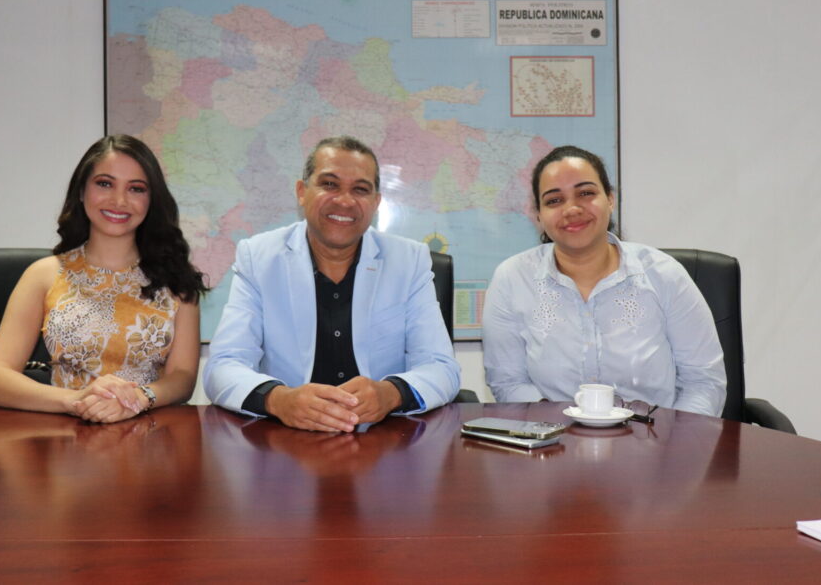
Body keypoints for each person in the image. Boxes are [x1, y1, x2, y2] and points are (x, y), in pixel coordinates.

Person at [204, 135, 460, 432]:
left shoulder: (409, 260)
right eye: (329, 184)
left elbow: (442, 368)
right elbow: (222, 366)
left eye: (360, 189)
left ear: (376, 203)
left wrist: (390, 394)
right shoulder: (259, 258)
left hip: (384, 444)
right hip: (287, 445)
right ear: (302, 192)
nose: (344, 200)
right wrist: (278, 399)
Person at [482, 145, 726, 416]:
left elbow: (703, 383)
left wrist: (676, 448)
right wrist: (557, 434)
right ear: (538, 215)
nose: (572, 209)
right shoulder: (512, 279)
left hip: (655, 446)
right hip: (553, 446)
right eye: (554, 200)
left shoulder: (664, 275)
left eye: (586, 193)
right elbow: (508, 382)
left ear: (610, 199)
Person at [0, 134, 207, 423]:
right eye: (104, 184)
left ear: (152, 201)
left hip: (148, 439)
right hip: (65, 436)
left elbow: (183, 378)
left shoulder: (177, 280)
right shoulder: (44, 275)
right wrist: (76, 400)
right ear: (81, 191)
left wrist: (139, 398)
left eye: (136, 189)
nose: (119, 200)